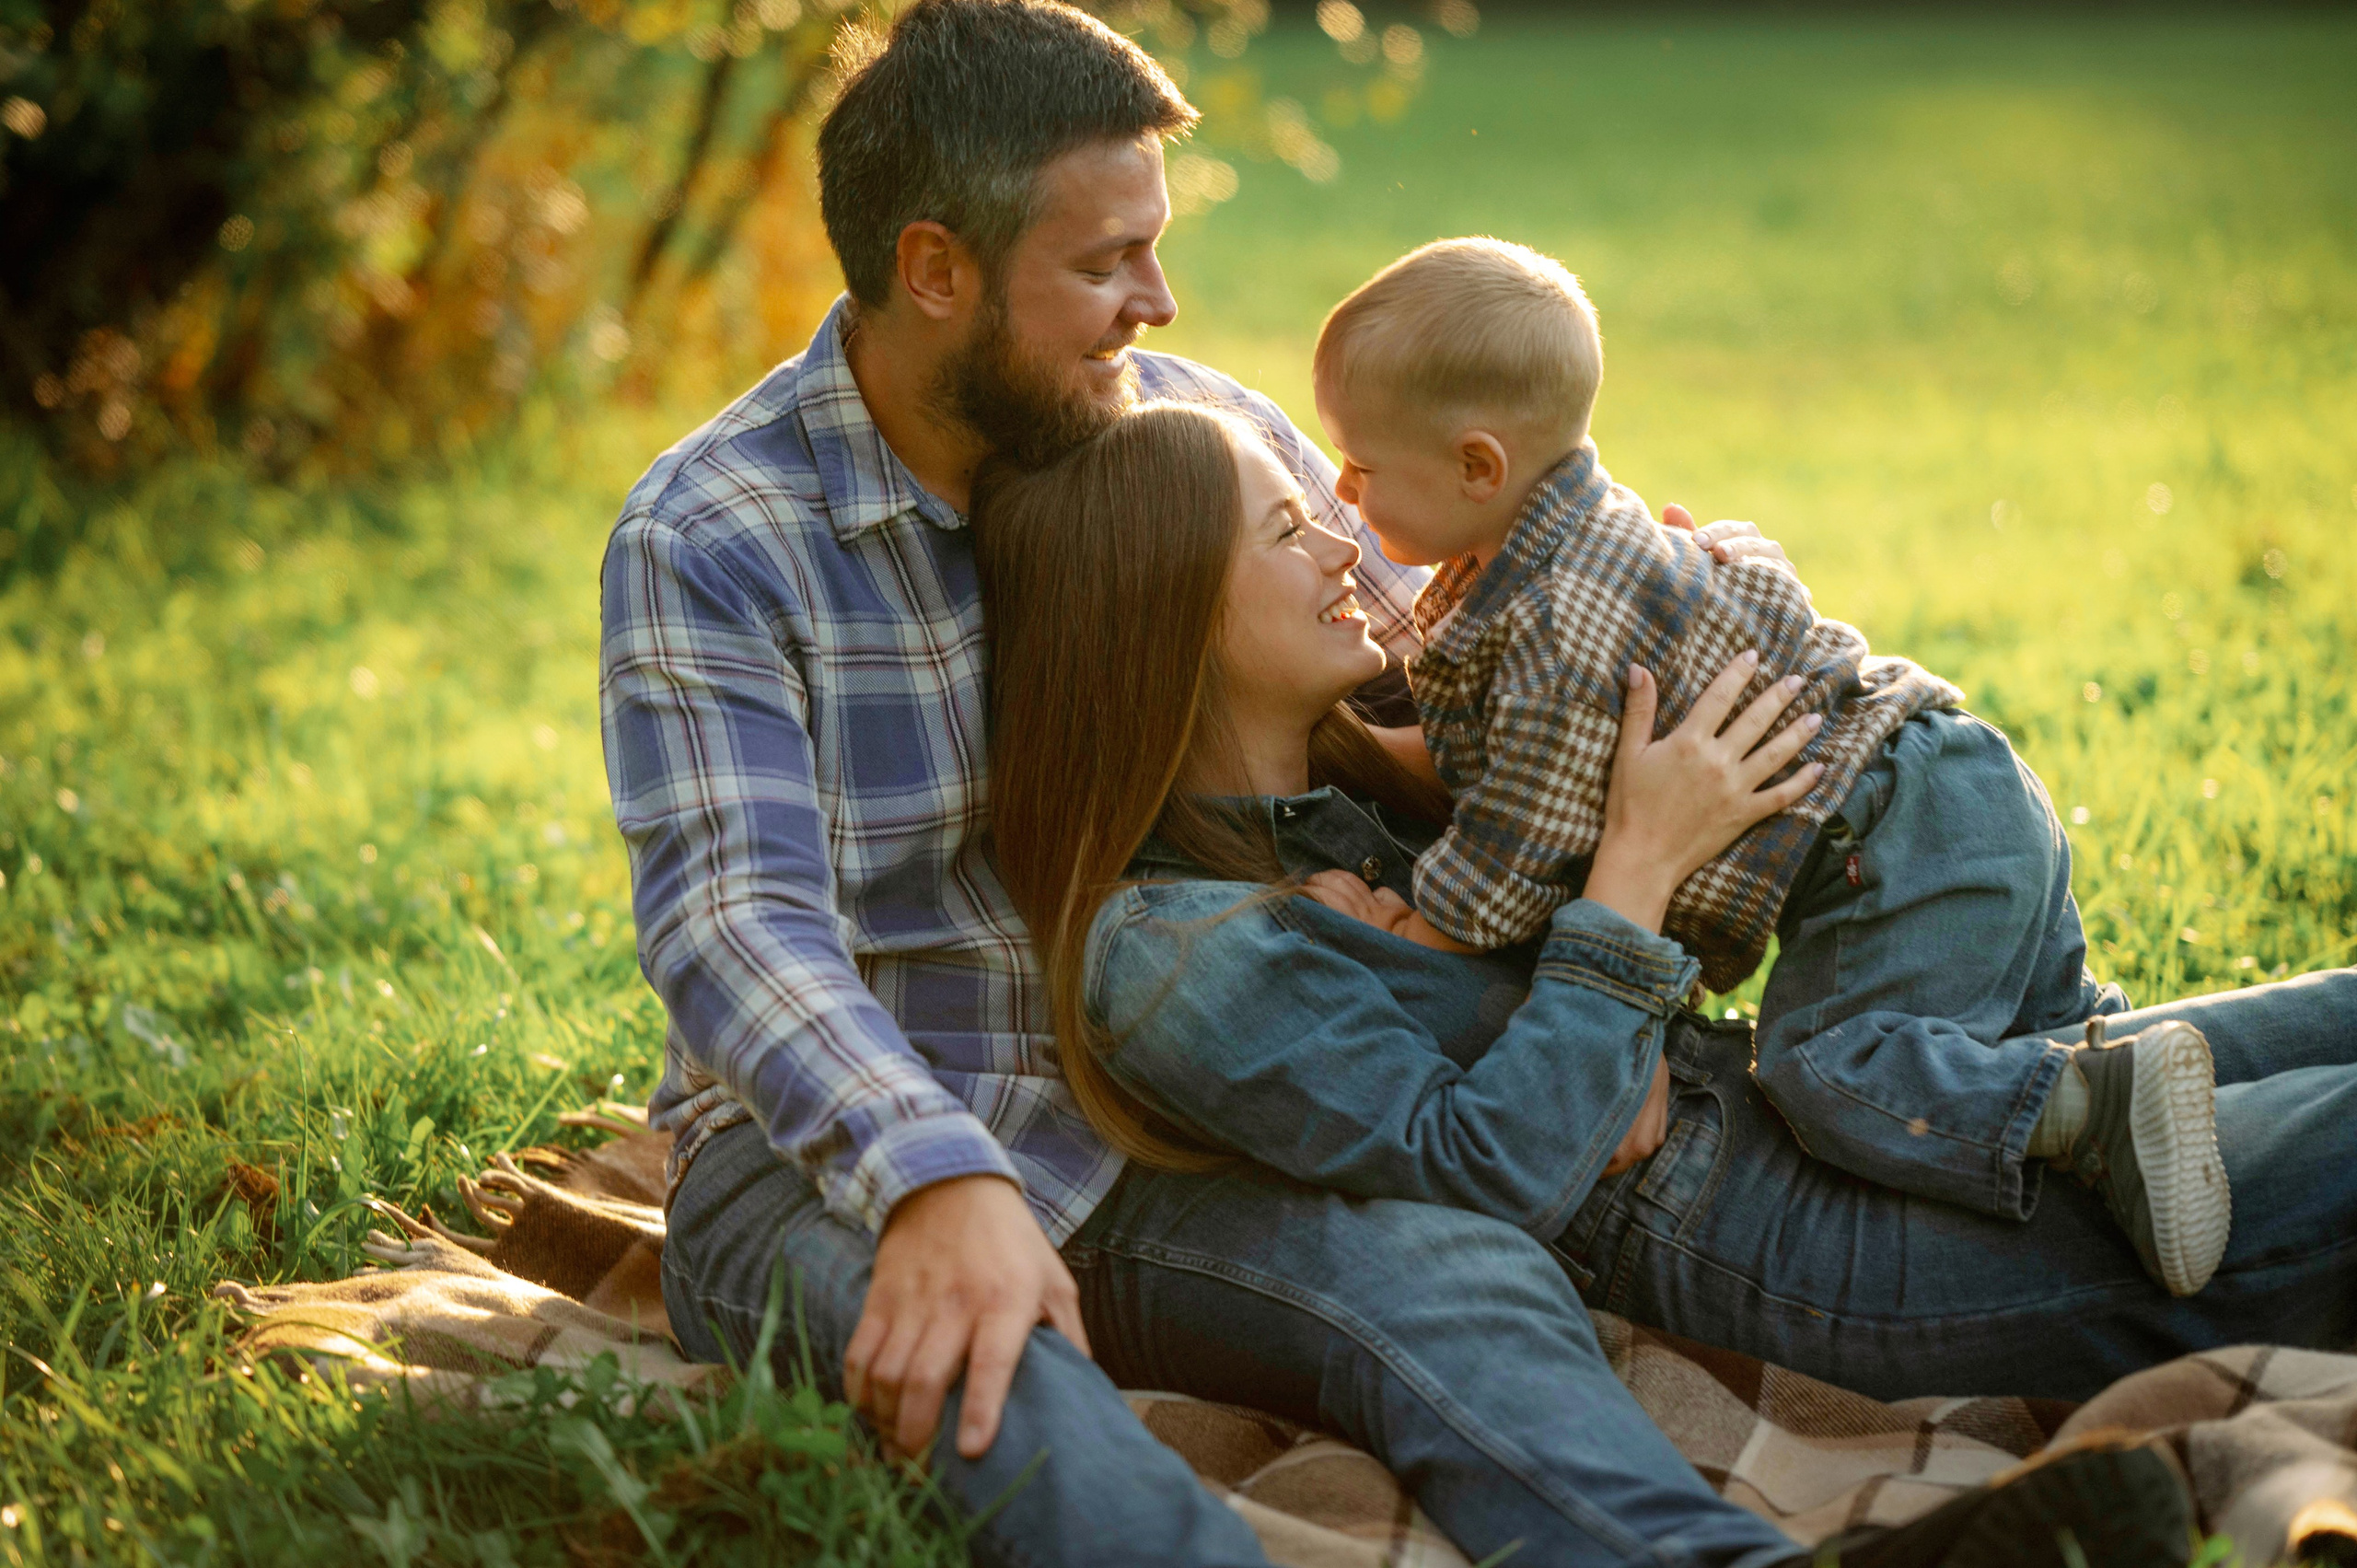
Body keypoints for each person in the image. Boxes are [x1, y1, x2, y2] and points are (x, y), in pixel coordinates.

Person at [602, 1, 2193, 1563]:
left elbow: (1423, 658)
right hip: (840, 1150)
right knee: (987, 1345)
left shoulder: (1192, 425)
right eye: (1105, 262)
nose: (1160, 303)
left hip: (1163, 1118)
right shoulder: (718, 537)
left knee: (1451, 1276)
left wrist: (1654, 638)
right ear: (934, 268)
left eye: (1155, 246)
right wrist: (935, 1173)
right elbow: (737, 927)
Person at [970, 398, 2357, 1428]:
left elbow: (1616, 638)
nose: (1346, 537)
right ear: (1165, 620)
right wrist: (1624, 893)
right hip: (1796, 1242)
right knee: (2300, 1166)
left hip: (1829, 1104)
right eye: (1288, 526)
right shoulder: (1166, 955)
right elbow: (1502, 1168)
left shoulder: (1378, 789)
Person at [1300, 237, 2228, 1294]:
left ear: (1477, 465)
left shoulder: (1553, 625)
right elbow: (1498, 750)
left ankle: (2098, 1110)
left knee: (1824, 1074)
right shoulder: (1568, 541)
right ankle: (2129, 1103)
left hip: (1884, 843)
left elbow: (1519, 842)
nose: (1339, 489)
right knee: (2031, 1036)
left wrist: (1412, 928)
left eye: (1361, 468)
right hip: (1942, 784)